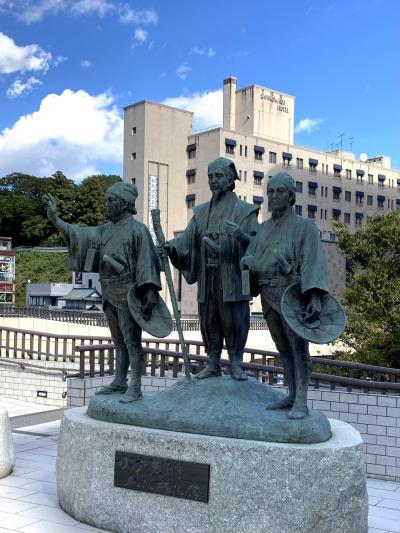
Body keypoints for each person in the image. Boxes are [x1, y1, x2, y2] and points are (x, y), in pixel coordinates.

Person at [47, 182, 161, 403]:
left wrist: (149, 291)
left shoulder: (139, 230)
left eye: (111, 201)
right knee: (118, 341)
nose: (106, 205)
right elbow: (78, 234)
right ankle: (120, 381)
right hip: (108, 290)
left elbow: (147, 263)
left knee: (131, 341)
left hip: (129, 293)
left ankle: (135, 386)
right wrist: (56, 220)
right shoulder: (104, 230)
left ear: (124, 203)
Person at [161, 157, 259, 380]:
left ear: (230, 179)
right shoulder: (202, 212)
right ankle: (213, 361)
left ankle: (235, 361)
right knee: (209, 317)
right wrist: (171, 246)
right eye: (211, 176)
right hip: (208, 274)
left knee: (233, 317)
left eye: (219, 176)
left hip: (232, 274)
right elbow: (187, 237)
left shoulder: (245, 211)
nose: (214, 181)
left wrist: (241, 237)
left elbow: (257, 242)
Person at [242, 172, 329, 419]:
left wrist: (314, 297)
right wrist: (247, 263)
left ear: (291, 196)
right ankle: (291, 395)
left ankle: (301, 400)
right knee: (283, 350)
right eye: (271, 192)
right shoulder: (263, 229)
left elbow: (313, 262)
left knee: (299, 349)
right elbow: (248, 257)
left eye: (280, 192)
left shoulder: (304, 227)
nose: (275, 196)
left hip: (293, 296)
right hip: (268, 296)